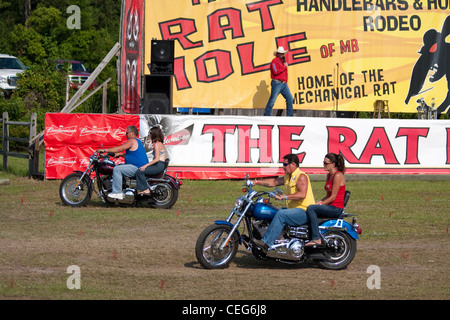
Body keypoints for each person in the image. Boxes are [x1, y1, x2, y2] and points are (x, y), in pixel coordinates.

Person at [252, 154, 315, 251]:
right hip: (293, 210)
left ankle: (266, 243)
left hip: (304, 211)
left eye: (285, 164)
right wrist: (256, 182)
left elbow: (302, 194)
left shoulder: (300, 176)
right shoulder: (288, 177)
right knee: (272, 211)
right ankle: (273, 240)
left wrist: (284, 196)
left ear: (292, 164)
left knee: (281, 214)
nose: (283, 167)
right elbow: (274, 182)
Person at [305, 153, 346, 247]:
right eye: (323, 162)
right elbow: (328, 195)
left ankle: (316, 238)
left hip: (336, 207)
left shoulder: (338, 176)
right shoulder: (329, 176)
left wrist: (321, 204)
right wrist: (318, 202)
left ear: (333, 164)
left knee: (312, 209)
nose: (324, 165)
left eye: (326, 163)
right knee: (310, 207)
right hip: (330, 205)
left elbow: (333, 197)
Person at [99, 125, 149, 200]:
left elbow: (120, 148)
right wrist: (121, 154)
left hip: (137, 167)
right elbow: (133, 155)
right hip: (137, 166)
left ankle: (117, 193)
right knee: (119, 166)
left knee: (117, 169)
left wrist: (104, 150)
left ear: (132, 133)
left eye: (127, 133)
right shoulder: (137, 141)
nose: (126, 135)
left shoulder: (132, 140)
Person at [135, 126, 167, 195]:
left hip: (158, 165)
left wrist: (145, 166)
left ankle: (146, 189)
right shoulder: (160, 143)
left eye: (150, 133)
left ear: (154, 134)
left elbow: (156, 159)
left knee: (139, 171)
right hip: (160, 165)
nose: (149, 135)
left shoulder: (156, 145)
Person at [264, 46, 294, 117]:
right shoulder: (274, 61)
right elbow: (275, 71)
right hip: (277, 83)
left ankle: (290, 116)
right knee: (272, 101)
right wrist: (284, 67)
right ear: (277, 54)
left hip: (283, 83)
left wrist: (285, 81)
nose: (282, 55)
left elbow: (283, 73)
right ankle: (266, 115)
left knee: (290, 99)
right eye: (280, 53)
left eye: (283, 53)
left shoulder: (282, 61)